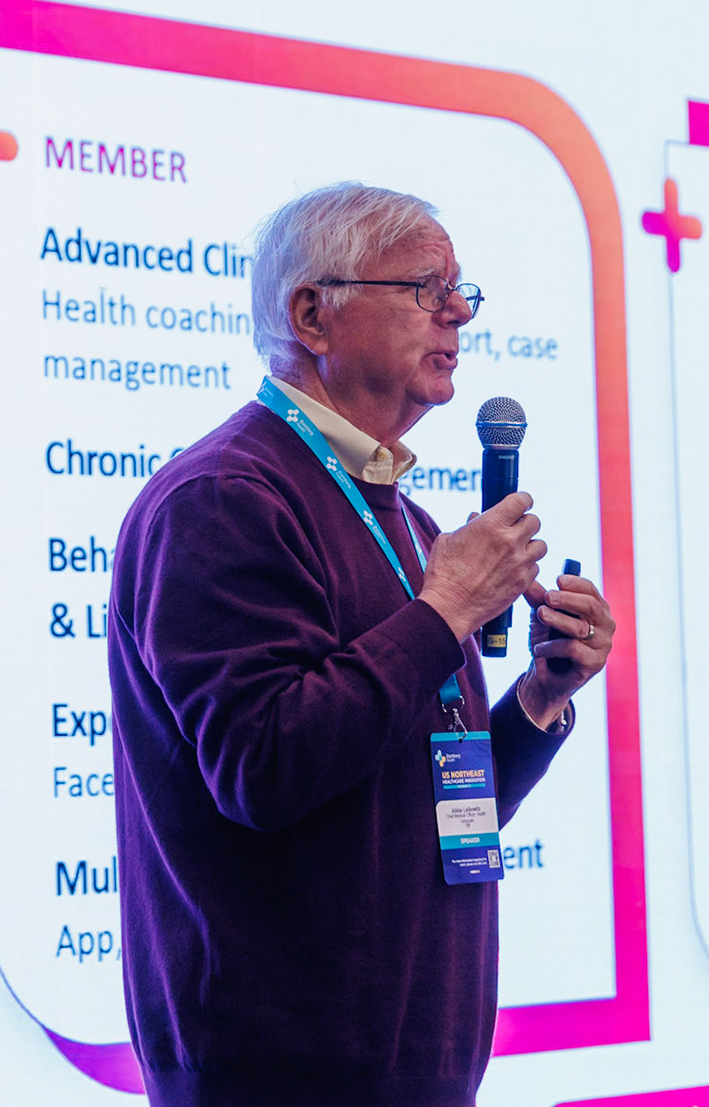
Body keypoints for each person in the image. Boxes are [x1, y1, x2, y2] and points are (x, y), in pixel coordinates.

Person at [107, 182, 616, 1106]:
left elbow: (441, 807)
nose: (459, 313)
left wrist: (540, 699)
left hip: (416, 1063)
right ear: (313, 315)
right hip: (278, 1076)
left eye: (459, 290)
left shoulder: (407, 523)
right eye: (425, 287)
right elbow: (263, 768)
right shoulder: (225, 499)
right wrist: (445, 610)